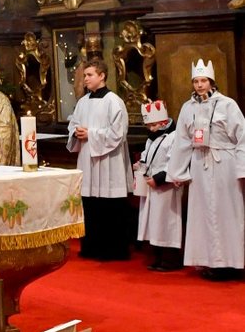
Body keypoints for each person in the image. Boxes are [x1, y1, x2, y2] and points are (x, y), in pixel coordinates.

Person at [167, 59, 245, 282]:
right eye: (196, 81)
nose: (200, 85)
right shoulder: (187, 108)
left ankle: (231, 263)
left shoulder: (227, 105)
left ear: (211, 82)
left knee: (227, 213)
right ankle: (208, 261)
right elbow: (182, 141)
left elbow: (242, 136)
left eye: (203, 81)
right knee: (203, 214)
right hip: (200, 164)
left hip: (224, 164)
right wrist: (178, 172)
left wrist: (242, 168)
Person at [67, 56, 132, 261]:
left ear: (102, 76)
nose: (85, 79)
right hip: (87, 158)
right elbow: (73, 123)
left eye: (89, 75)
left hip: (109, 162)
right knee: (91, 205)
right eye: (85, 75)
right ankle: (92, 247)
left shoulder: (114, 101)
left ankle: (113, 250)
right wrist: (76, 132)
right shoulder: (83, 102)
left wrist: (91, 134)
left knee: (110, 207)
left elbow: (118, 133)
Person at [132, 98, 183, 271]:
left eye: (154, 125)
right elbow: (147, 155)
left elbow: (175, 161)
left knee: (166, 220)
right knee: (154, 221)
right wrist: (140, 165)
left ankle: (171, 259)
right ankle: (158, 256)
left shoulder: (174, 137)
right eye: (149, 126)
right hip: (151, 185)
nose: (151, 129)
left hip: (166, 185)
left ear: (163, 122)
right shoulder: (152, 138)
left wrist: (159, 178)